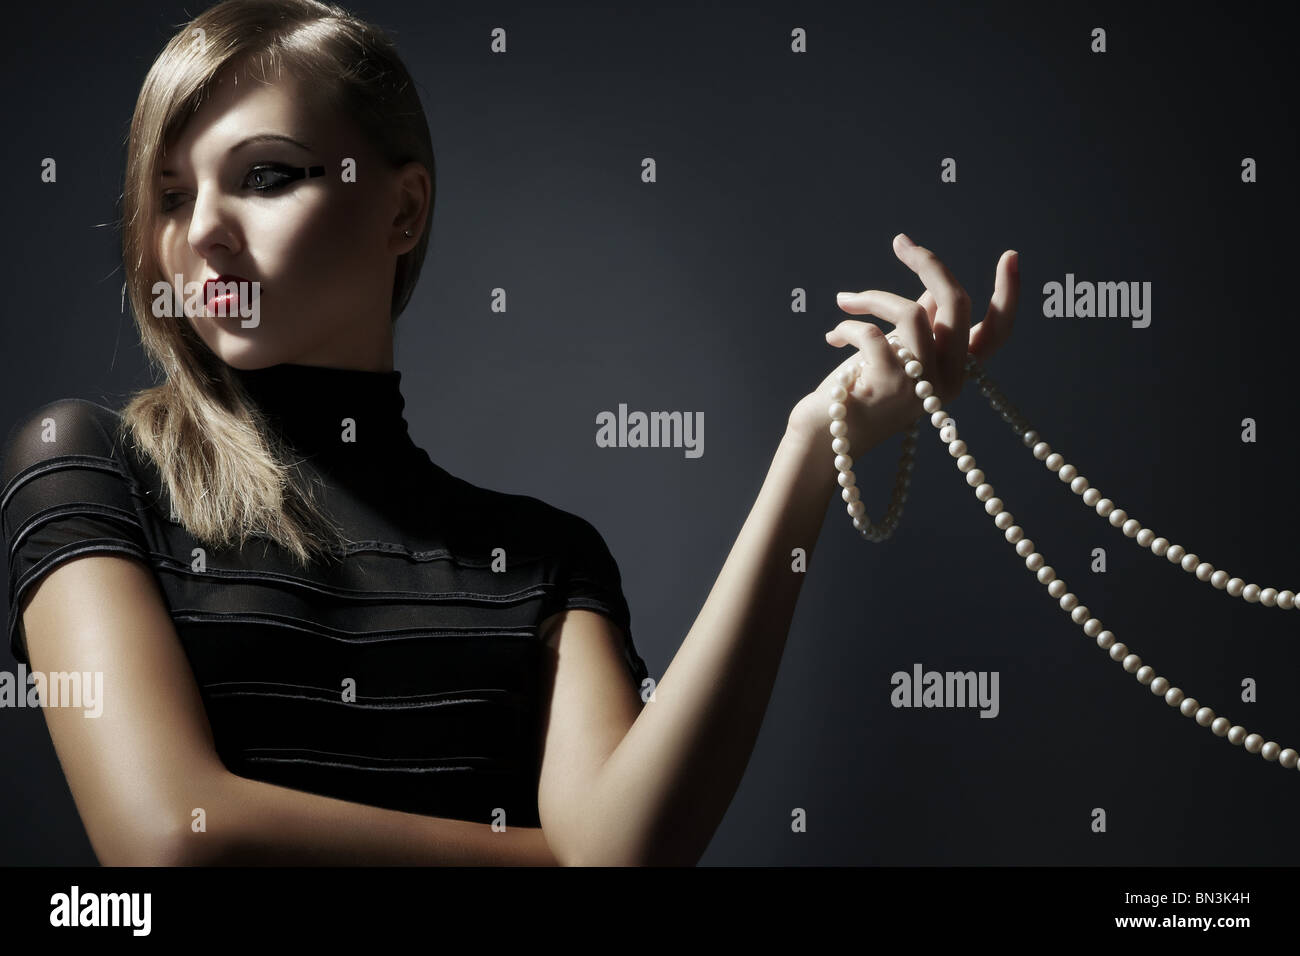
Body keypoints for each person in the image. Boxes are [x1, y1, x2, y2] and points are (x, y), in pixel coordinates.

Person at [0, 0, 1019, 866]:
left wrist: (808, 452)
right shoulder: (86, 464)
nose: (202, 229)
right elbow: (166, 838)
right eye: (169, 194)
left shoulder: (543, 559)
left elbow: (629, 842)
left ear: (403, 210)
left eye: (265, 174)